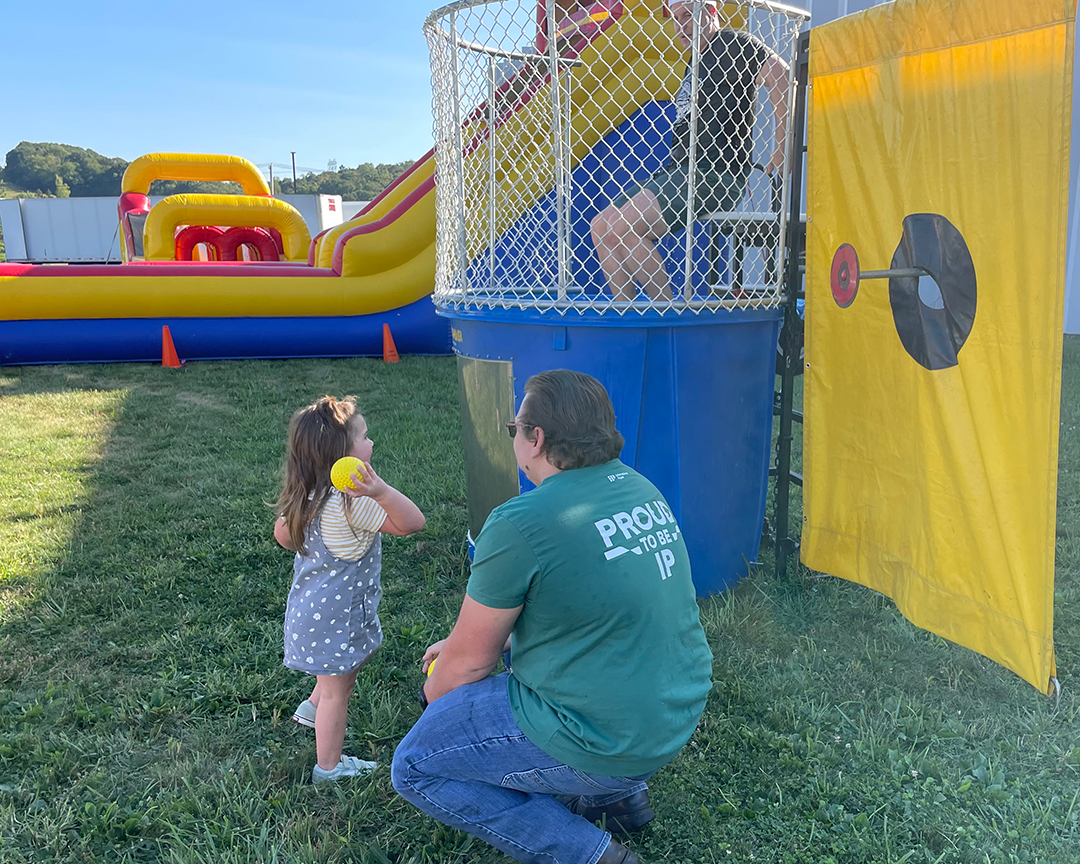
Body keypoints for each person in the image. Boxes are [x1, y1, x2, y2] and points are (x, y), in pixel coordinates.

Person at [391, 370, 712, 864]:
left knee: (416, 764)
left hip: (603, 736)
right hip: (672, 714)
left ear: (535, 439)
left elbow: (467, 668)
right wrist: (466, 646)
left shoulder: (519, 521)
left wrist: (434, 693)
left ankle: (590, 852)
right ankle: (617, 798)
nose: (515, 436)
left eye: (514, 428)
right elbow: (587, 610)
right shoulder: (638, 488)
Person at [590, 0, 791, 301]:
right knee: (601, 226)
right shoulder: (695, 61)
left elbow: (781, 74)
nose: (680, 26)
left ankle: (665, 314)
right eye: (675, 18)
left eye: (688, 16)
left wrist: (782, 147)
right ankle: (627, 318)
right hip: (681, 171)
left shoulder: (730, 43)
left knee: (623, 226)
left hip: (716, 172)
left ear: (710, 14)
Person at [273, 395, 425, 784]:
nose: (371, 443)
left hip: (307, 614)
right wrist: (381, 492)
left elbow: (283, 536)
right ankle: (329, 767)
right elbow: (411, 523)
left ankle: (311, 706)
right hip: (340, 620)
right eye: (364, 437)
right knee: (340, 689)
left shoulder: (306, 499)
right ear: (343, 458)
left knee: (335, 673)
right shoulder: (353, 506)